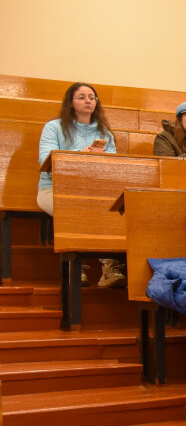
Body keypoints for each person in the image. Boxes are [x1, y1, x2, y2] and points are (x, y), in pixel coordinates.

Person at [37, 82, 124, 287]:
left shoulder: (105, 134)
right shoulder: (54, 127)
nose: (88, 100)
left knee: (115, 210)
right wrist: (79, 156)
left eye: (92, 97)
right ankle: (76, 267)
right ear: (71, 102)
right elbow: (45, 161)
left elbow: (116, 169)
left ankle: (110, 267)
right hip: (54, 189)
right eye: (82, 97)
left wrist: (102, 159)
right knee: (75, 210)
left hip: (93, 190)